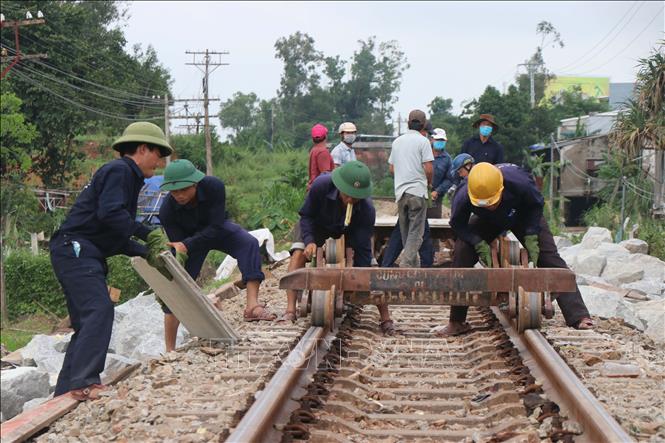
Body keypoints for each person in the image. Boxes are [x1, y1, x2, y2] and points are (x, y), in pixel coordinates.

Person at [49, 122, 173, 401]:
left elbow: (115, 234)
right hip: (76, 249)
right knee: (99, 310)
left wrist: (146, 252)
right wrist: (148, 233)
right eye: (158, 154)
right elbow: (112, 215)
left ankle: (66, 390)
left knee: (87, 321)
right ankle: (84, 383)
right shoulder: (120, 171)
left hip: (75, 249)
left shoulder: (125, 178)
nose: (160, 161)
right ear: (142, 149)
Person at [436, 162, 594, 337]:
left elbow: (536, 205)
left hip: (522, 214)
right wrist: (477, 242)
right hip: (487, 221)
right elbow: (457, 224)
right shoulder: (463, 194)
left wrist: (532, 234)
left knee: (549, 257)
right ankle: (456, 321)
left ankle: (578, 315)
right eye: (484, 204)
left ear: (501, 189)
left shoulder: (520, 182)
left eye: (492, 202)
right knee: (462, 252)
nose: (489, 206)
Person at [158, 159, 274, 352]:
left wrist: (188, 244)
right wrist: (184, 249)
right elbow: (179, 247)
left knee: (249, 243)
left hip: (216, 230)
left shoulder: (214, 187)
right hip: (188, 243)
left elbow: (217, 225)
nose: (178, 195)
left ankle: (252, 307)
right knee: (177, 282)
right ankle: (169, 348)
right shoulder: (167, 211)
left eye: (183, 189)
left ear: (195, 183)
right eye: (174, 191)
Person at [281, 161, 396, 335]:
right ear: (339, 186)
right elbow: (306, 216)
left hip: (349, 231)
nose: (350, 200)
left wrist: (356, 271)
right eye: (347, 195)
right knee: (298, 254)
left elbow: (361, 245)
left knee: (370, 268)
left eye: (355, 197)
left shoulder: (366, 210)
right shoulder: (321, 186)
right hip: (317, 225)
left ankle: (386, 318)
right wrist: (310, 241)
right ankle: (290, 310)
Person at [388, 109, 434, 267]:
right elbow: (428, 168)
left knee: (405, 232)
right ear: (423, 125)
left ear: (408, 123)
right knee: (416, 233)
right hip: (417, 192)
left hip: (401, 193)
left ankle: (413, 270)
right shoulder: (423, 141)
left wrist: (404, 174)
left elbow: (392, 169)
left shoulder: (397, 142)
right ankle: (406, 265)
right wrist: (428, 183)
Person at [429, 128, 454, 219]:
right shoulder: (423, 154)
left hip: (436, 198)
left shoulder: (447, 159)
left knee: (434, 223)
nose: (440, 142)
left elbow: (450, 178)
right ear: (432, 139)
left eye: (442, 140)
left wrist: (437, 191)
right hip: (419, 195)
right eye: (437, 139)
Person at [308, 123, 335, 190]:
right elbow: (326, 176)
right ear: (325, 136)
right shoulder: (323, 152)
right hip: (321, 190)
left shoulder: (314, 149)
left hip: (314, 188)